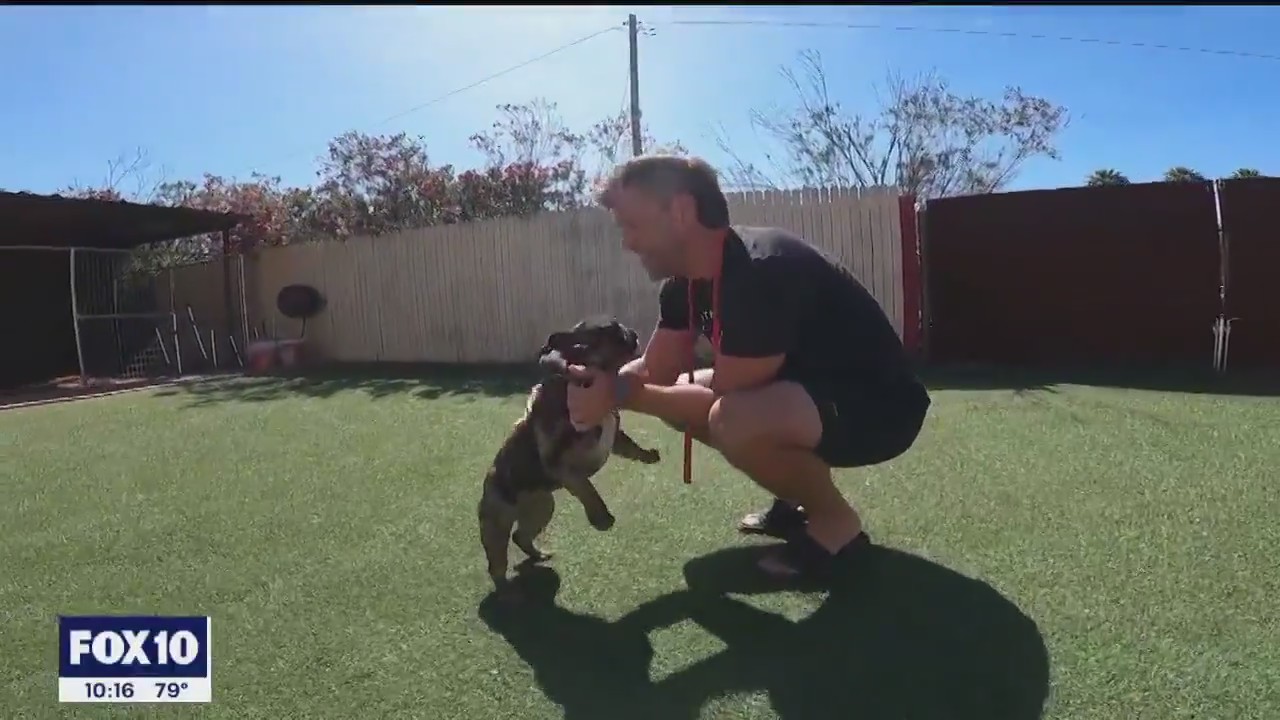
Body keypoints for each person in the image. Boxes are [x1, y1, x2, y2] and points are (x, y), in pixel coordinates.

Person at [565, 155, 931, 581]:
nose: (627, 243)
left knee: (732, 418)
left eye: (632, 225)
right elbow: (656, 371)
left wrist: (619, 394)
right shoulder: (683, 285)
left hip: (882, 410)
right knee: (694, 402)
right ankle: (796, 499)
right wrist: (594, 385)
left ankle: (836, 524)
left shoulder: (759, 271)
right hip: (808, 398)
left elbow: (723, 400)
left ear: (680, 212)